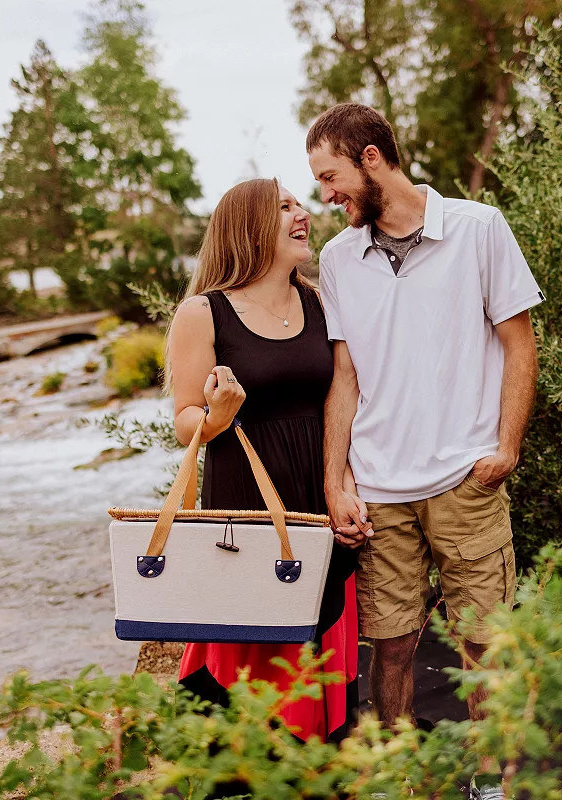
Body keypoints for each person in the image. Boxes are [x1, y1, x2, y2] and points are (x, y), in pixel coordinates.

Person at [307, 103, 544, 799]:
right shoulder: (337, 257)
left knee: (482, 644)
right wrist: (335, 482)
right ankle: (403, 783)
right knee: (393, 644)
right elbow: (344, 375)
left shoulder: (478, 230)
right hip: (380, 489)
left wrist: (507, 447)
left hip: (465, 479)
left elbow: (519, 344)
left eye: (330, 176)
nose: (325, 195)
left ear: (371, 157)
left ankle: (491, 786)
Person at [166, 178, 359, 751]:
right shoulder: (203, 314)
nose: (302, 212)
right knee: (258, 644)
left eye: (301, 202)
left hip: (316, 497)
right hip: (246, 505)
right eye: (283, 207)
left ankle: (320, 770)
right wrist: (216, 414)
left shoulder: (321, 301)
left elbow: (342, 400)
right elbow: (184, 421)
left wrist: (343, 481)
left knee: (319, 633)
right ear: (248, 226)